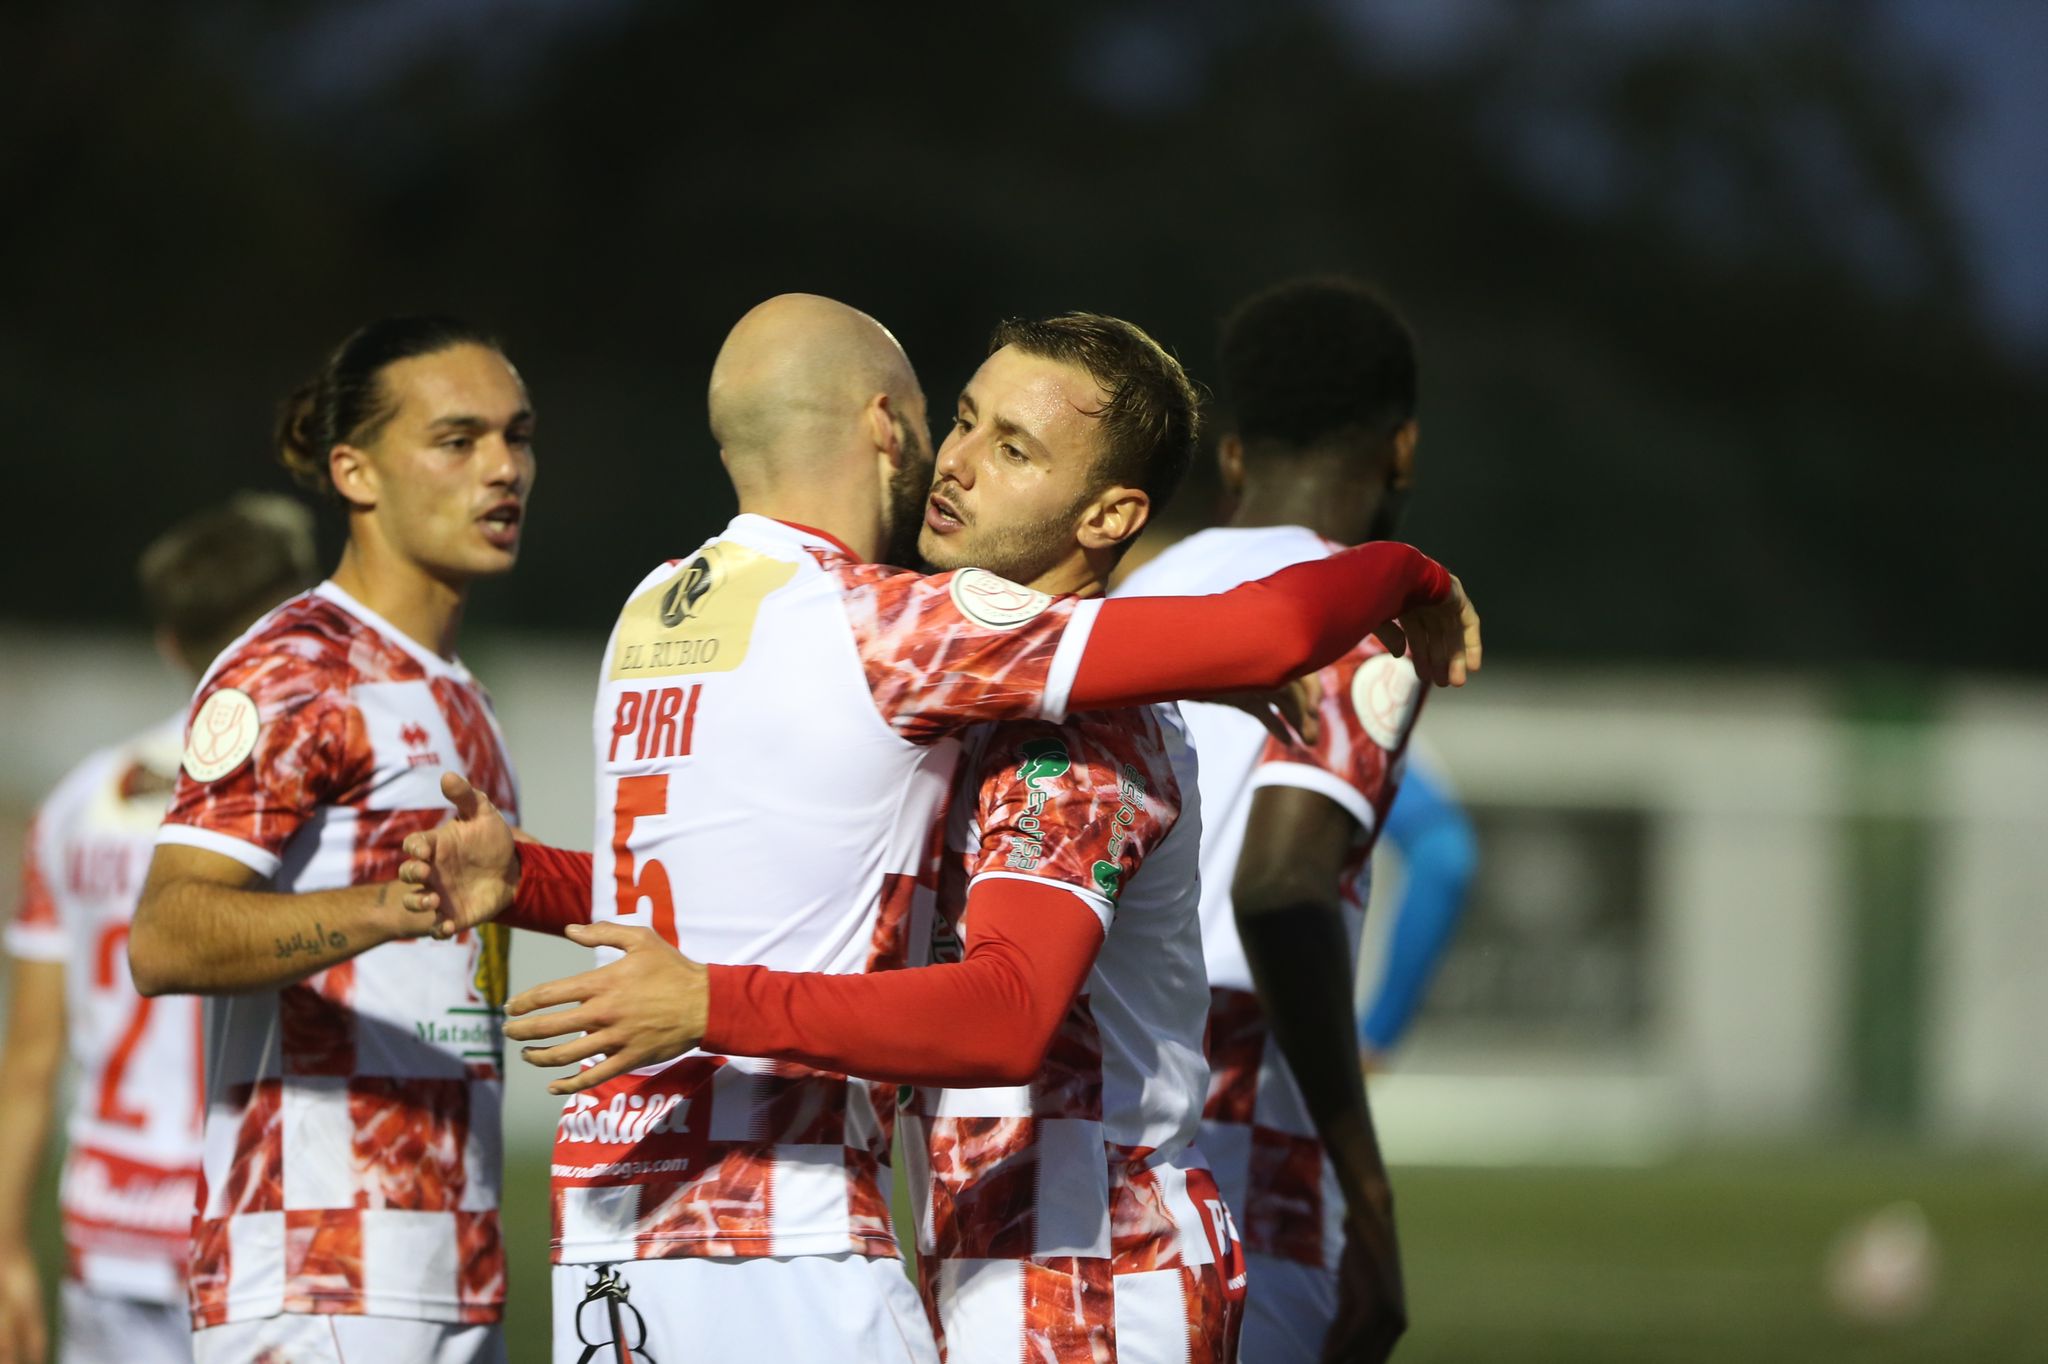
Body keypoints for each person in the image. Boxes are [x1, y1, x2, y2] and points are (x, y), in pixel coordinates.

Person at [399, 294, 1475, 1364]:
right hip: (981, 1259)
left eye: (1011, 447)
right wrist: (528, 878)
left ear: (1106, 516)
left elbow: (1005, 1013)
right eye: (961, 418)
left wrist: (1412, 572)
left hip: (1088, 1275)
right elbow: (791, 894)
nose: (954, 460)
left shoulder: (1073, 731)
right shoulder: (951, 689)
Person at [127, 317, 534, 1364]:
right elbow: (166, 935)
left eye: (516, 435)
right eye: (457, 439)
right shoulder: (297, 666)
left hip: (454, 1259)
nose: (502, 468)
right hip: (317, 1274)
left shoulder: (460, 692)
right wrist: (380, 905)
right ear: (353, 470)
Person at [1114, 275, 1436, 1362]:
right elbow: (1279, 881)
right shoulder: (1356, 616)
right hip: (1242, 1128)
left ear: (1234, 454)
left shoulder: (1120, 611)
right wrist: (1370, 1192)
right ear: (1398, 450)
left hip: (1073, 1125)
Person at [0, 496, 319, 1364]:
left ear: (171, 646)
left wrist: (4, 1253)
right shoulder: (307, 799)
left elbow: (29, 1057)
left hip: (110, 1231)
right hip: (260, 1229)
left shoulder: (77, 803)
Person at [1358, 744, 1478, 1069]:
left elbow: (1442, 859)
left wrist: (1376, 1033)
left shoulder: (1341, 723)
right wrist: (1377, 1035)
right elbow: (1444, 860)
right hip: (1282, 1031)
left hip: (1251, 1028)